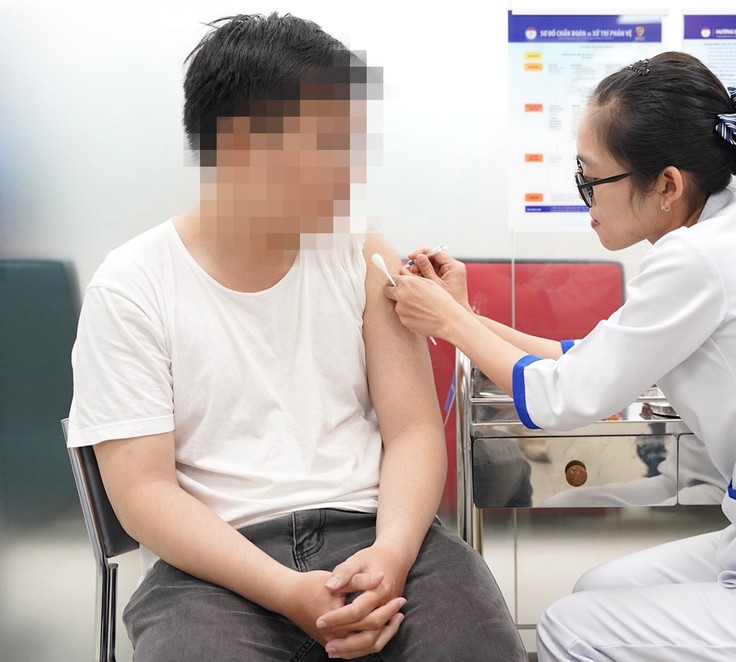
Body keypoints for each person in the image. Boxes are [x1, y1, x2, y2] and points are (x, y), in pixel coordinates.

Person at [384, 52, 736, 661]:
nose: (585, 199)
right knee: (597, 590)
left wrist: (448, 323)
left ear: (667, 185)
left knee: (570, 629)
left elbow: (561, 396)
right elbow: (587, 359)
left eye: (591, 179)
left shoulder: (697, 259)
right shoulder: (726, 230)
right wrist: (462, 316)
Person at [66, 13, 526, 662]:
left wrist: (392, 556)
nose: (349, 171)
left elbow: (414, 431)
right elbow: (144, 491)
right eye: (328, 145)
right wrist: (285, 590)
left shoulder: (361, 255)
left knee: (473, 646)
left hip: (379, 532)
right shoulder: (132, 286)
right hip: (215, 562)